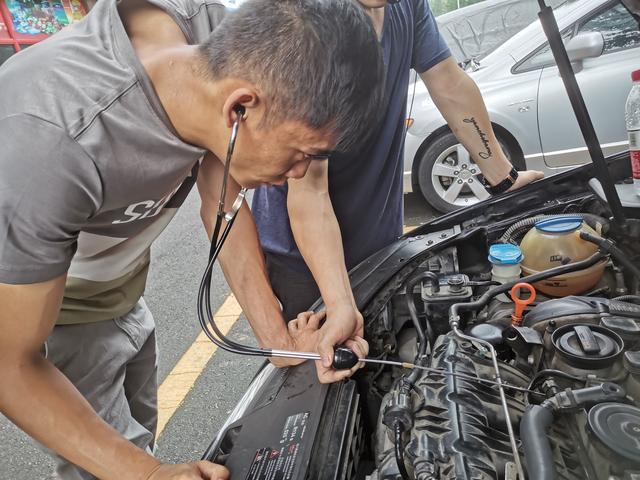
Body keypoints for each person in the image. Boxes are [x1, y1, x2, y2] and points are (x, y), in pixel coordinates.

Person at [0, 0, 384, 478]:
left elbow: (223, 200)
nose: (297, 173)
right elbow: (10, 365)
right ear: (239, 108)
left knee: (139, 434)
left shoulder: (219, 44)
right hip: (52, 310)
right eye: (300, 155)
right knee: (108, 464)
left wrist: (287, 336)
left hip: (123, 290)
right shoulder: (54, 143)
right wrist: (151, 474)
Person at [250, 0, 546, 367]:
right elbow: (309, 191)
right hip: (304, 259)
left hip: (381, 239)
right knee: (326, 375)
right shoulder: (308, 28)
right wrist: (339, 304)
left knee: (389, 356)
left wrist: (504, 179)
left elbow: (450, 84)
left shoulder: (408, 6)